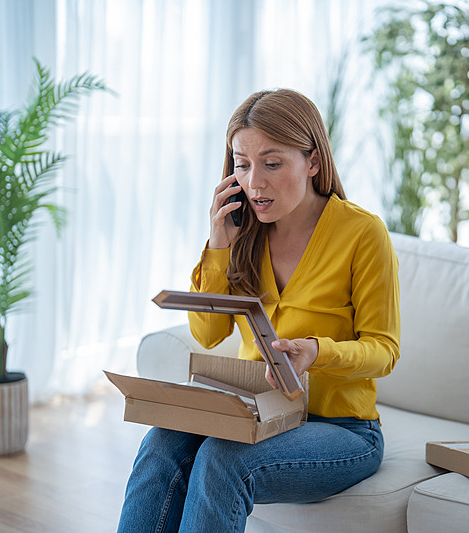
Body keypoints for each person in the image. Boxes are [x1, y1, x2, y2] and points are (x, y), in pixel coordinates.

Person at [117, 88, 400, 533]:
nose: (254, 183)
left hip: (345, 430)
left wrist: (316, 352)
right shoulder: (241, 232)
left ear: (313, 162)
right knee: (161, 442)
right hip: (258, 412)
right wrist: (217, 244)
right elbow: (209, 333)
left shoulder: (362, 233)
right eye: (241, 165)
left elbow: (383, 350)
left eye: (272, 163)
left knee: (223, 459)